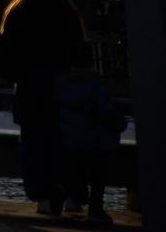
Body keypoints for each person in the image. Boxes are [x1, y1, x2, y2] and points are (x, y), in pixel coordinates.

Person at [0, 0, 90, 216]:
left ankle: (42, 197)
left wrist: (17, 73)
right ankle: (72, 196)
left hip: (29, 85)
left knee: (34, 144)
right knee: (65, 141)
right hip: (61, 83)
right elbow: (79, 51)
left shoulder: (18, 14)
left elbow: (3, 52)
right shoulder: (66, 14)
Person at [55, 66, 126, 223]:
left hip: (71, 140)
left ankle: (64, 194)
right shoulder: (95, 89)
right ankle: (95, 209)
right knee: (98, 174)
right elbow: (107, 115)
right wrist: (121, 124)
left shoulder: (60, 87)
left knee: (73, 169)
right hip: (94, 143)